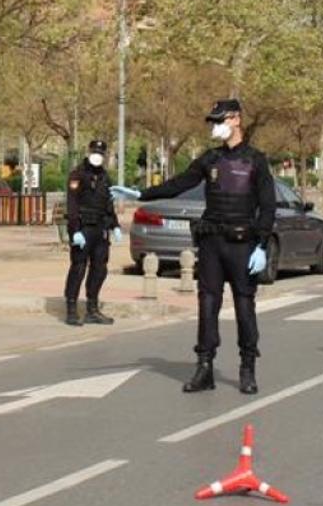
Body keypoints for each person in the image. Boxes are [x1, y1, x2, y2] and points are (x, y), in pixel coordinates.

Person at [112, 99, 276, 394]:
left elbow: (267, 207)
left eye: (220, 120)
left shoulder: (256, 160)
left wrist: (262, 245)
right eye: (213, 122)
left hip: (242, 244)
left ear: (236, 119)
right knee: (208, 304)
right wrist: (141, 193)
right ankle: (204, 368)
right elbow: (179, 184)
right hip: (212, 242)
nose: (215, 126)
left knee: (243, 305)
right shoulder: (209, 159)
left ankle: (247, 368)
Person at [64, 139, 122, 326]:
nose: (97, 155)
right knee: (78, 267)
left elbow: (108, 204)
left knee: (100, 269)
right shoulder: (78, 174)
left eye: (100, 153)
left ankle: (92, 309)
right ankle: (71, 309)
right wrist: (74, 231)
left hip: (101, 229)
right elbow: (72, 205)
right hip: (83, 228)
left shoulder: (105, 177)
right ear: (89, 152)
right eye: (94, 151)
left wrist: (115, 225)